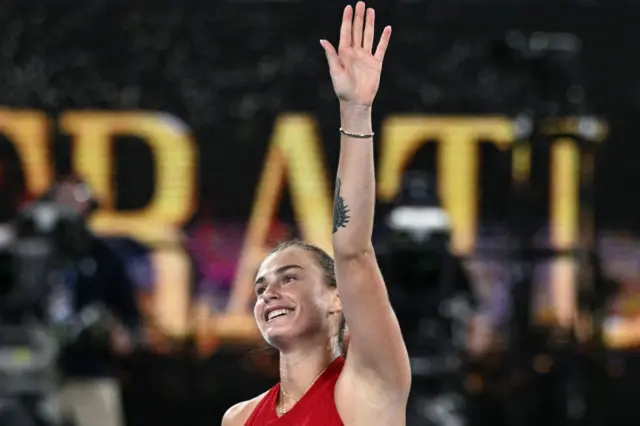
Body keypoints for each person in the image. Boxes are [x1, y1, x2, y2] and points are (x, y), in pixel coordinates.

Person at [222, 2, 411, 425]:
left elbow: (352, 251)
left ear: (337, 297)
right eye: (260, 287)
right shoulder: (238, 418)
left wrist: (356, 111)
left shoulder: (369, 386)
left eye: (289, 278)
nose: (268, 293)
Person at [45, 176, 139, 426]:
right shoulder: (29, 254)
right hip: (36, 376)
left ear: (88, 206)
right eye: (62, 199)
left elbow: (131, 318)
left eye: (75, 199)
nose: (69, 207)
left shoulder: (105, 256)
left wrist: (124, 336)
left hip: (91, 373)